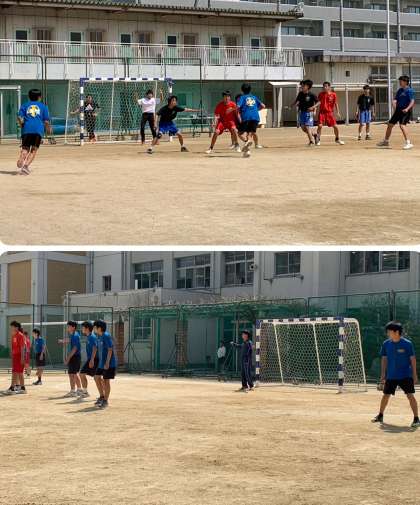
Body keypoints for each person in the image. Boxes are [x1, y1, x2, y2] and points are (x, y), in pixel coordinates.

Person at [372, 321, 420, 428]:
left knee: (410, 395)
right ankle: (380, 415)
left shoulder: (407, 344)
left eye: (389, 331)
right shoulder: (386, 344)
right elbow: (384, 359)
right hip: (391, 375)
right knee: (385, 395)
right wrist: (383, 374)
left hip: (405, 375)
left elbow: (412, 359)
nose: (388, 333)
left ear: (397, 332)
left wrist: (414, 375)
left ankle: (416, 419)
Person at [16, 88, 51, 175]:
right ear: (39, 97)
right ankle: (25, 166)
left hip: (27, 129)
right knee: (33, 150)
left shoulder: (24, 105)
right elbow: (46, 121)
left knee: (25, 148)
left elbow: (19, 117)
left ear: (29, 97)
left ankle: (21, 158)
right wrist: (48, 129)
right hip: (37, 130)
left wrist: (21, 124)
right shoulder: (43, 106)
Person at [377, 75, 415, 150]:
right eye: (399, 81)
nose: (400, 82)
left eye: (401, 81)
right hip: (398, 110)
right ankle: (386, 141)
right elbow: (395, 99)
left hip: (405, 111)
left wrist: (407, 109)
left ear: (405, 82)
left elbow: (412, 101)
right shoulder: (400, 90)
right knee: (390, 125)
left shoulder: (409, 91)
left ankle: (408, 143)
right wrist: (394, 102)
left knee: (402, 125)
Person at [236, 83, 266, 157]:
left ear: (242, 90)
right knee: (249, 134)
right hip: (255, 117)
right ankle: (247, 151)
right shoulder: (254, 97)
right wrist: (256, 110)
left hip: (246, 117)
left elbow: (238, 106)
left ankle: (247, 142)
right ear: (250, 90)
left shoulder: (242, 97)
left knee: (239, 133)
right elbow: (263, 106)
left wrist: (234, 111)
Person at [93, 320, 117, 409]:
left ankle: (105, 401)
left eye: (95, 327)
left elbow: (110, 349)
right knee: (96, 377)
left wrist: (107, 362)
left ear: (99, 328)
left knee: (106, 381)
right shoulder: (99, 336)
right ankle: (102, 396)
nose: (94, 329)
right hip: (101, 363)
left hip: (109, 363)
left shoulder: (106, 336)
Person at [314, 81, 344, 146]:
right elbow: (318, 102)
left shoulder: (333, 94)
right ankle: (318, 139)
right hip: (322, 113)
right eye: (323, 86)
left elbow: (336, 103)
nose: (324, 87)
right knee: (320, 126)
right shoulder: (321, 94)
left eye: (326, 86)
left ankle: (337, 139)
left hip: (329, 113)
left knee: (335, 126)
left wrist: (338, 112)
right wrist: (315, 110)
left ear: (329, 87)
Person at [291, 79, 319, 146]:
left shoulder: (311, 94)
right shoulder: (300, 93)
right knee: (303, 128)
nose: (302, 87)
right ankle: (314, 135)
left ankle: (311, 141)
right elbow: (297, 101)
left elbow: (318, 102)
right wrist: (292, 105)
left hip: (309, 113)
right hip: (302, 112)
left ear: (308, 86)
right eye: (301, 85)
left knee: (307, 127)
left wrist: (313, 108)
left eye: (303, 86)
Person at [60, 321, 83, 398]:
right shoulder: (73, 335)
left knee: (74, 374)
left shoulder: (75, 335)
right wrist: (63, 341)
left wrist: (68, 358)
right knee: (72, 374)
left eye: (69, 326)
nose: (67, 328)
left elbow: (75, 348)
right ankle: (75, 390)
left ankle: (76, 390)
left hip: (75, 357)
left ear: (73, 327)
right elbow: (70, 340)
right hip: (73, 357)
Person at [5, 321, 26, 395]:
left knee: (17, 372)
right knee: (17, 372)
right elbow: (13, 346)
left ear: (16, 327)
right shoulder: (14, 335)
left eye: (12, 327)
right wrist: (12, 354)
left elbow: (22, 347)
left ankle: (12, 388)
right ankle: (22, 388)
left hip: (19, 355)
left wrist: (22, 357)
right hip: (15, 356)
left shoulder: (20, 335)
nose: (11, 328)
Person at [79, 321, 99, 398]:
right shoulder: (89, 336)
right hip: (91, 359)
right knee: (82, 374)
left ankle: (103, 394)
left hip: (94, 359)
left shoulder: (92, 337)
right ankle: (85, 392)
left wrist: (92, 360)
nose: (82, 329)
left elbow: (95, 348)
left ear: (87, 329)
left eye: (83, 328)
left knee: (97, 378)